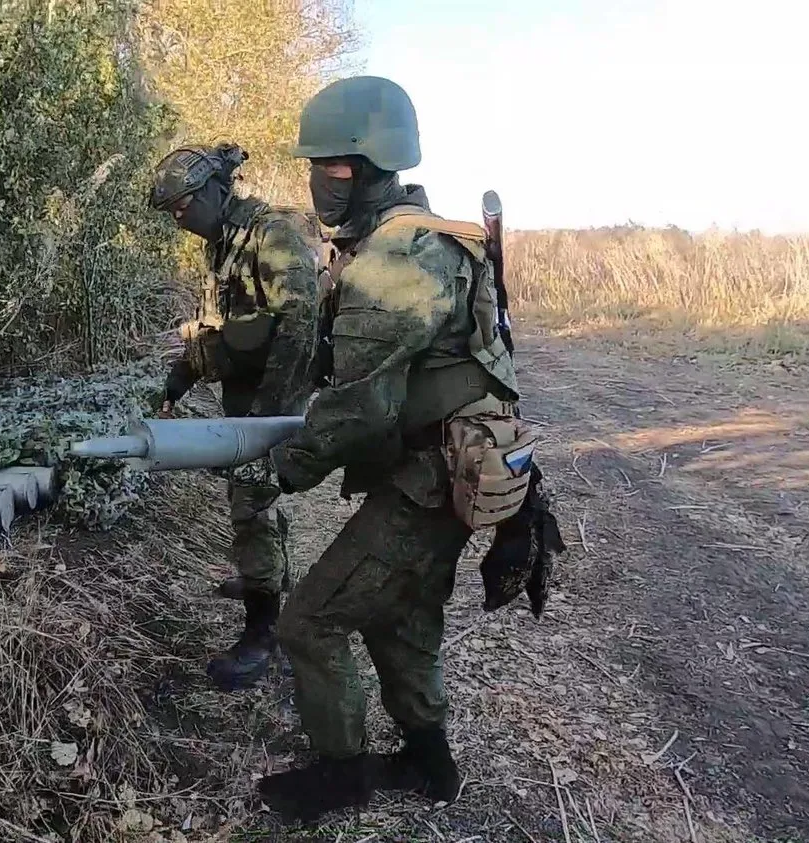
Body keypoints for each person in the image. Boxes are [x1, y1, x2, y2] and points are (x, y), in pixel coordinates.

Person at [256, 75, 566, 824]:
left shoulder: (397, 261)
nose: (313, 183)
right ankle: (431, 761)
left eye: (320, 166)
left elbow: (361, 406)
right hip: (448, 471)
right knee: (403, 616)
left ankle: (341, 775)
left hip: (428, 481)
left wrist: (285, 467)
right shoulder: (432, 239)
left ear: (352, 169)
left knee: (310, 621)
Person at [148, 142, 326, 691]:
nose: (180, 221)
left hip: (273, 393)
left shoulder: (273, 236)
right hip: (245, 391)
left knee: (251, 499)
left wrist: (267, 421)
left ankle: (262, 634)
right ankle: (270, 578)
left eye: (183, 208)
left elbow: (299, 326)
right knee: (253, 496)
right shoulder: (223, 241)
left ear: (211, 192)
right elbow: (217, 328)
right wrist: (180, 378)